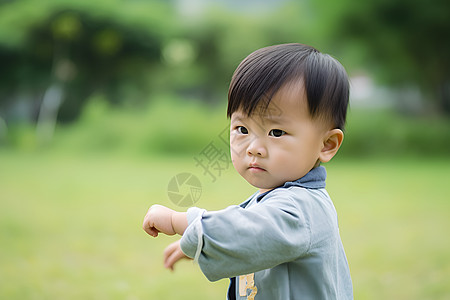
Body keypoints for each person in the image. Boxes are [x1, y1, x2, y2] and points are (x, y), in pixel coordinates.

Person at [143, 43, 353, 299]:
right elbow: (243, 228)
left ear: (326, 145)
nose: (254, 148)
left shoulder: (302, 209)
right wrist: (194, 243)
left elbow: (249, 231)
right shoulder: (277, 196)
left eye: (277, 132)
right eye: (242, 129)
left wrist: (180, 221)